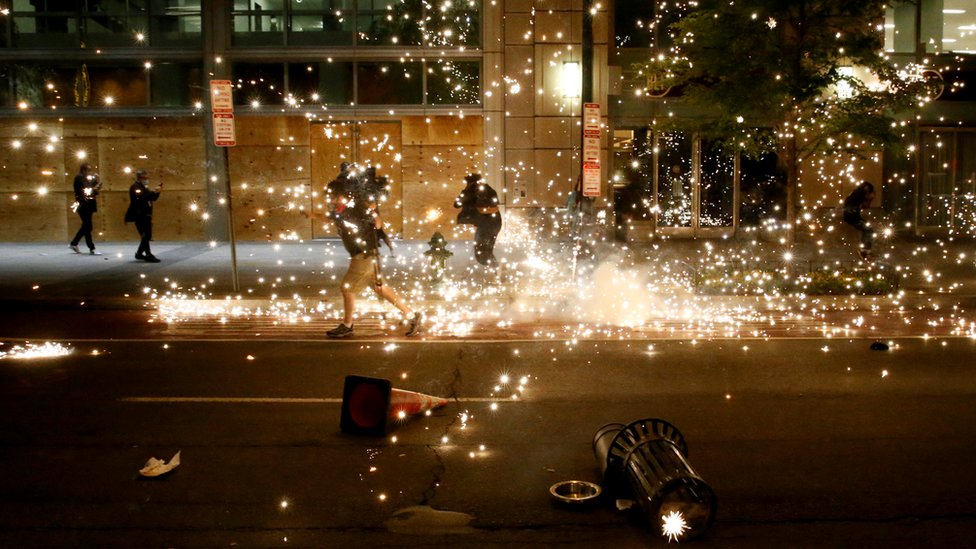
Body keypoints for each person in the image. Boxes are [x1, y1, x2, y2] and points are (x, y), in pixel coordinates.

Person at [325, 179, 421, 338]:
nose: (331, 200)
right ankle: (412, 315)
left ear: (341, 195)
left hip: (364, 254)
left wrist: (373, 213)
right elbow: (333, 218)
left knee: (347, 287)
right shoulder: (344, 208)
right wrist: (313, 215)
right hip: (364, 253)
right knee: (380, 288)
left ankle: (347, 325)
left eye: (333, 197)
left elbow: (377, 224)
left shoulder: (356, 207)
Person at [454, 173, 502, 267]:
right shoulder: (488, 189)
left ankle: (497, 271)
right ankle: (498, 272)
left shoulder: (471, 190)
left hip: (486, 224)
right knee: (486, 251)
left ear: (469, 182)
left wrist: (465, 191)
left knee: (482, 253)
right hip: (495, 222)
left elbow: (457, 204)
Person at [124, 169, 162, 262]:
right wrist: (153, 192)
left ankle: (139, 253)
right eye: (145, 178)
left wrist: (157, 192)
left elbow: (152, 198)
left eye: (147, 178)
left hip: (146, 214)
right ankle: (148, 254)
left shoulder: (144, 187)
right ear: (139, 178)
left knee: (146, 235)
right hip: (139, 214)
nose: (147, 180)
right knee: (146, 235)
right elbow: (141, 198)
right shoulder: (135, 187)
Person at [69, 163, 102, 255]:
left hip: (87, 204)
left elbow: (89, 189)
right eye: (88, 170)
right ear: (84, 170)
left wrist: (95, 184)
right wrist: (94, 182)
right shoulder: (79, 178)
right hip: (83, 204)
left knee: (86, 226)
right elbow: (86, 189)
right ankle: (90, 247)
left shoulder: (84, 178)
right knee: (87, 226)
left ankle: (75, 243)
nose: (90, 172)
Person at [843, 180, 877, 260]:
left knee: (868, 230)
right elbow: (865, 206)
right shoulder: (859, 195)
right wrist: (870, 199)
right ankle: (865, 251)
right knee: (869, 231)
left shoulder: (856, 193)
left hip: (852, 216)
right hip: (852, 217)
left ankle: (864, 250)